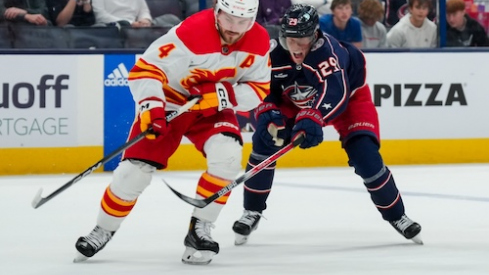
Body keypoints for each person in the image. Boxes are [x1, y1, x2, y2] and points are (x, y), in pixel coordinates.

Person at [74, 0, 270, 265]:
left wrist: (225, 94)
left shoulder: (258, 40)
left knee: (228, 156)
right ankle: (103, 229)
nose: (234, 29)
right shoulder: (191, 31)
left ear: (253, 19)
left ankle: (200, 229)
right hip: (170, 101)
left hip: (212, 107)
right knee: (134, 173)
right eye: (228, 19)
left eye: (242, 21)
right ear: (216, 10)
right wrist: (152, 108)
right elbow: (145, 70)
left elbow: (258, 89)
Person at [232, 4, 423, 247]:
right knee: (264, 141)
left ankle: (398, 216)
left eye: (302, 40)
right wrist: (266, 109)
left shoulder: (329, 53)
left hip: (350, 100)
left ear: (314, 36)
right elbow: (259, 86)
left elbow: (336, 92)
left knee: (365, 155)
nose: (296, 47)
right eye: (291, 40)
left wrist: (312, 117)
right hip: (293, 102)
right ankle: (252, 211)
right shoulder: (272, 54)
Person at [91, 0, 180, 28]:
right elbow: (101, 15)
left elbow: (143, 11)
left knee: (171, 19)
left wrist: (145, 20)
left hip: (137, 26)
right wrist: (130, 23)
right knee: (99, 27)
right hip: (112, 26)